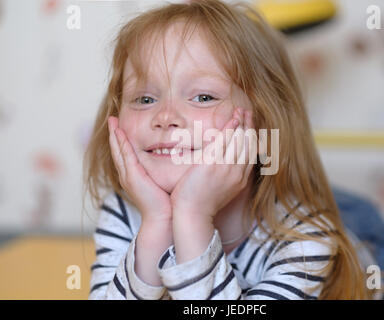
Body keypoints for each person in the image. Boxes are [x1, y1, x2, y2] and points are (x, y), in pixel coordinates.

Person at [83, 0, 368, 300]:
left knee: (377, 237)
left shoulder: (303, 238)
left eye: (204, 97)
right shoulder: (124, 211)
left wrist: (193, 215)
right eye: (144, 99)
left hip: (363, 252)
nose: (164, 117)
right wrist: (157, 224)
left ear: (262, 121)